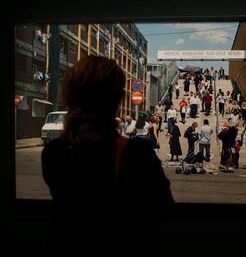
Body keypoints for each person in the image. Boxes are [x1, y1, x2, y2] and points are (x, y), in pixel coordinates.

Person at [41, 56, 174, 256]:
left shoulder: (54, 152)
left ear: (69, 95)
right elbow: (164, 210)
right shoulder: (137, 153)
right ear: (117, 99)